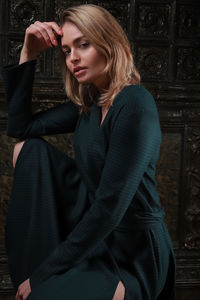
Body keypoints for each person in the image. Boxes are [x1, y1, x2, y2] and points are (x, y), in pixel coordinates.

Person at [0, 4, 176, 300]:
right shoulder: (90, 106)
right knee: (26, 150)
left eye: (83, 44)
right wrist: (27, 54)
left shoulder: (134, 103)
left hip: (135, 253)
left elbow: (109, 208)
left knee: (41, 292)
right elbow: (21, 128)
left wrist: (44, 273)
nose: (73, 58)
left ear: (110, 43)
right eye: (67, 50)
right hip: (98, 239)